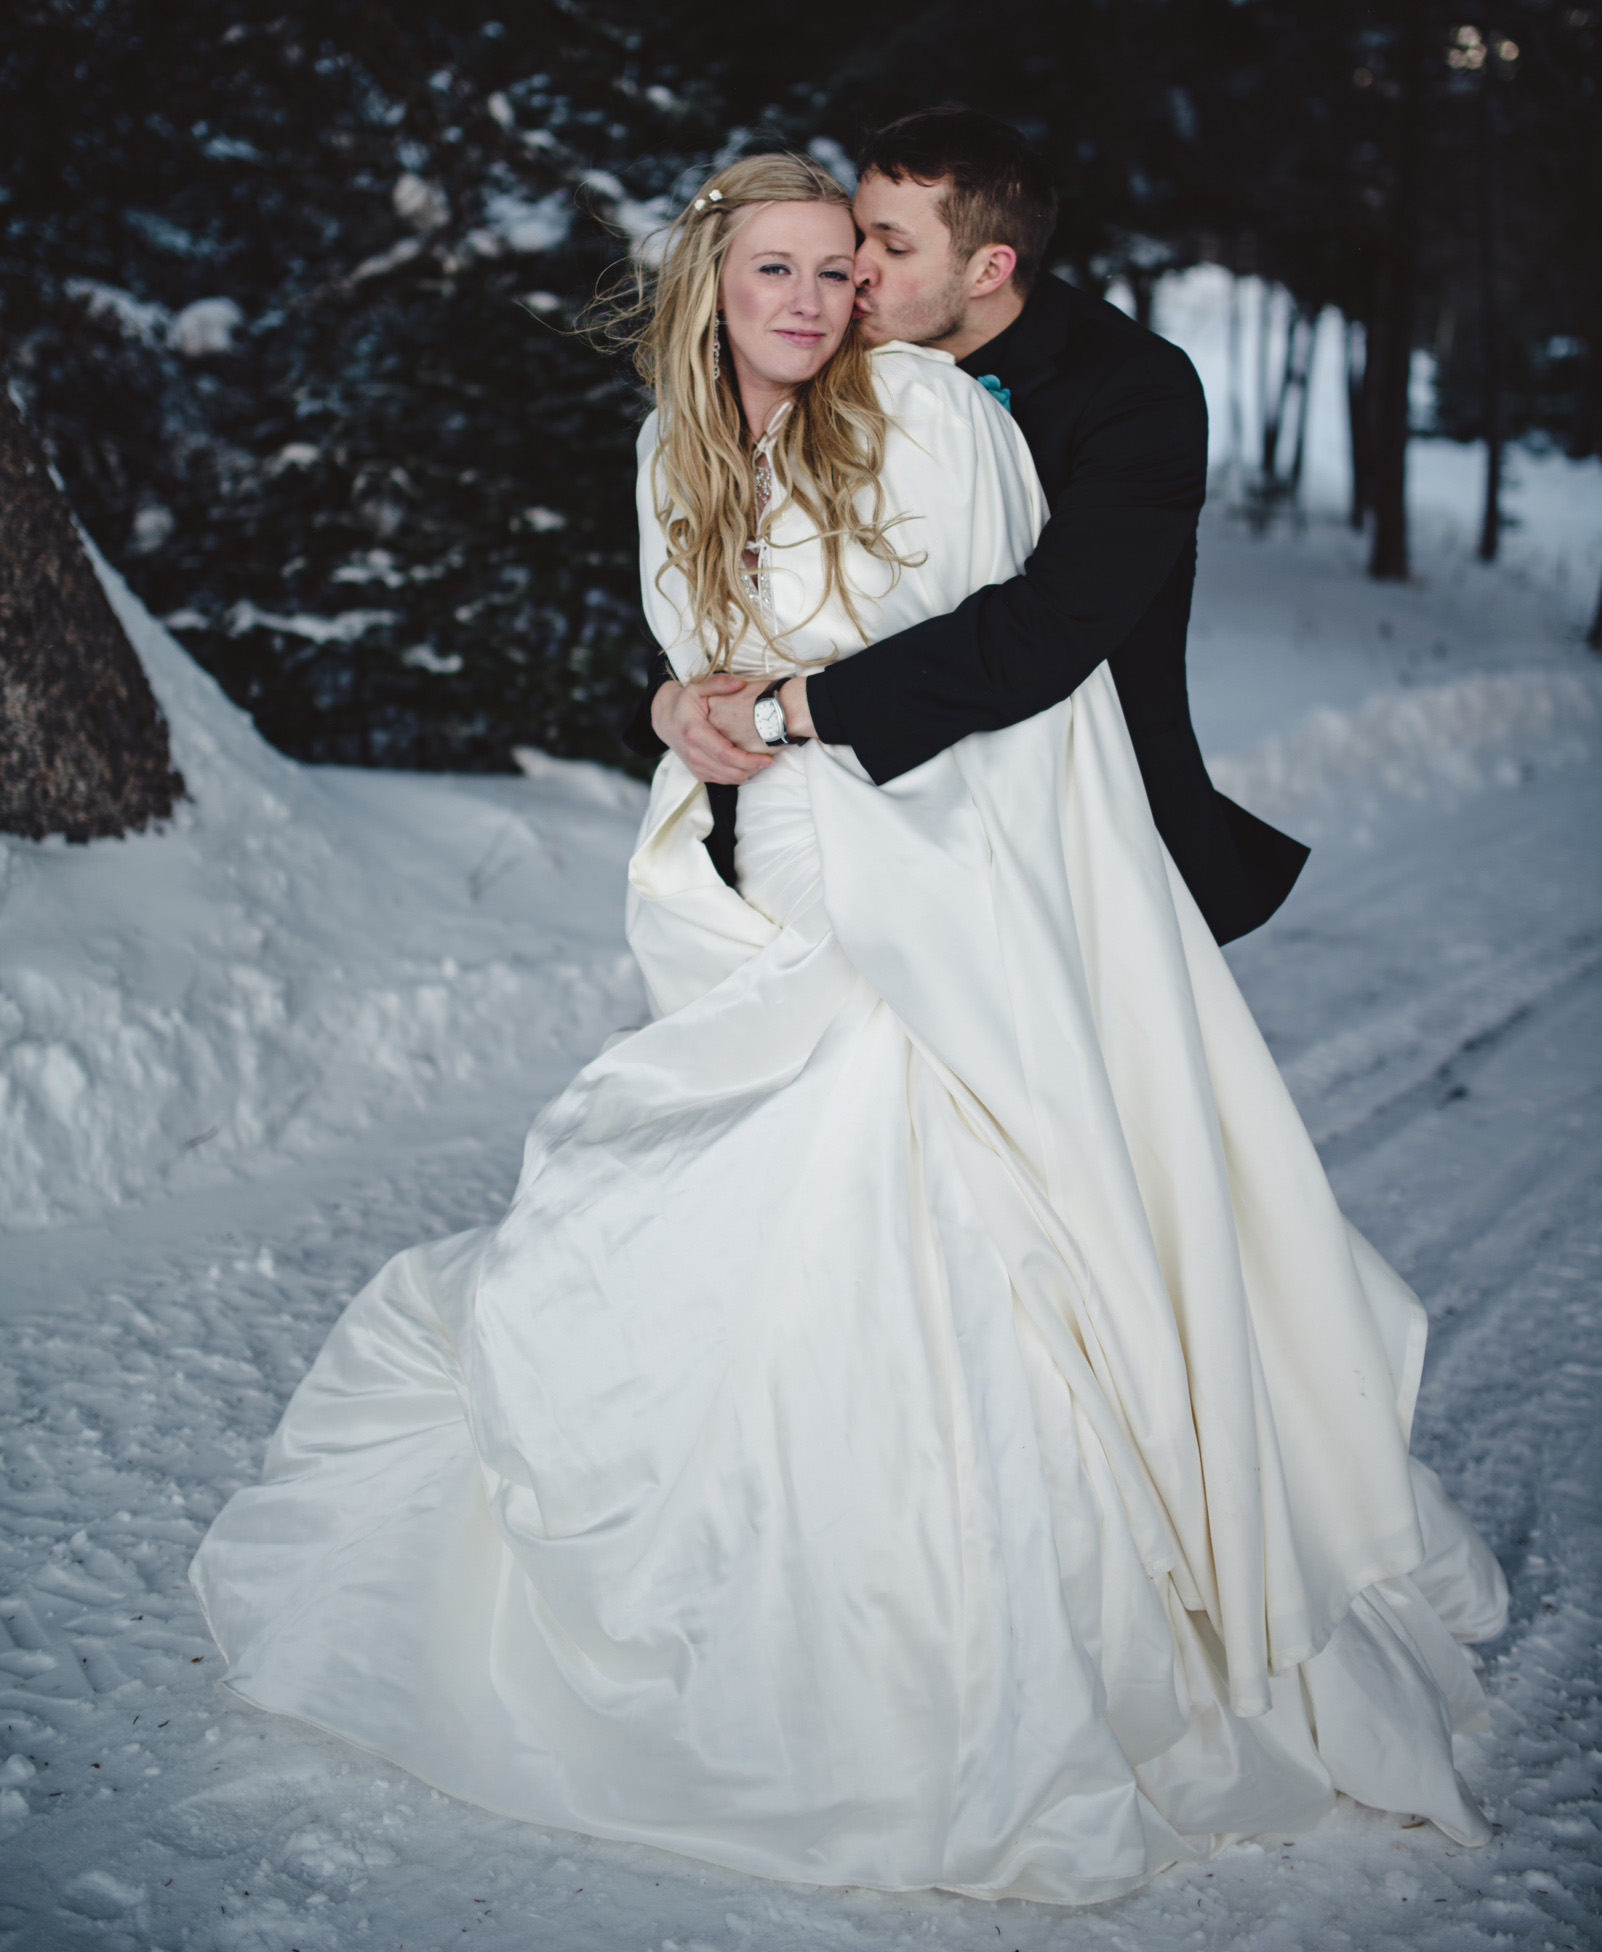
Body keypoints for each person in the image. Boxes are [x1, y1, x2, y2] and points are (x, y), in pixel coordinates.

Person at [192, 151, 1506, 1911]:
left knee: (945, 1211)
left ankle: (969, 1652)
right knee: (713, 1200)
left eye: (842, 267)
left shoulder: (935, 414)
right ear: (709, 288)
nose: (816, 300)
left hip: (933, 863)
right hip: (770, 868)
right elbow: (688, 652)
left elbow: (1010, 677)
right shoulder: (674, 444)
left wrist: (842, 777)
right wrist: (675, 704)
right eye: (781, 271)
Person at [633, 107, 1307, 943]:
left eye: (892, 247)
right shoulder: (822, 351)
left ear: (989, 268)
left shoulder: (1133, 389)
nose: (854, 272)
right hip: (821, 820)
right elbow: (744, 588)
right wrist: (669, 704)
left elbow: (1054, 623)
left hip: (1069, 820)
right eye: (856, 239)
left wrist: (782, 711)